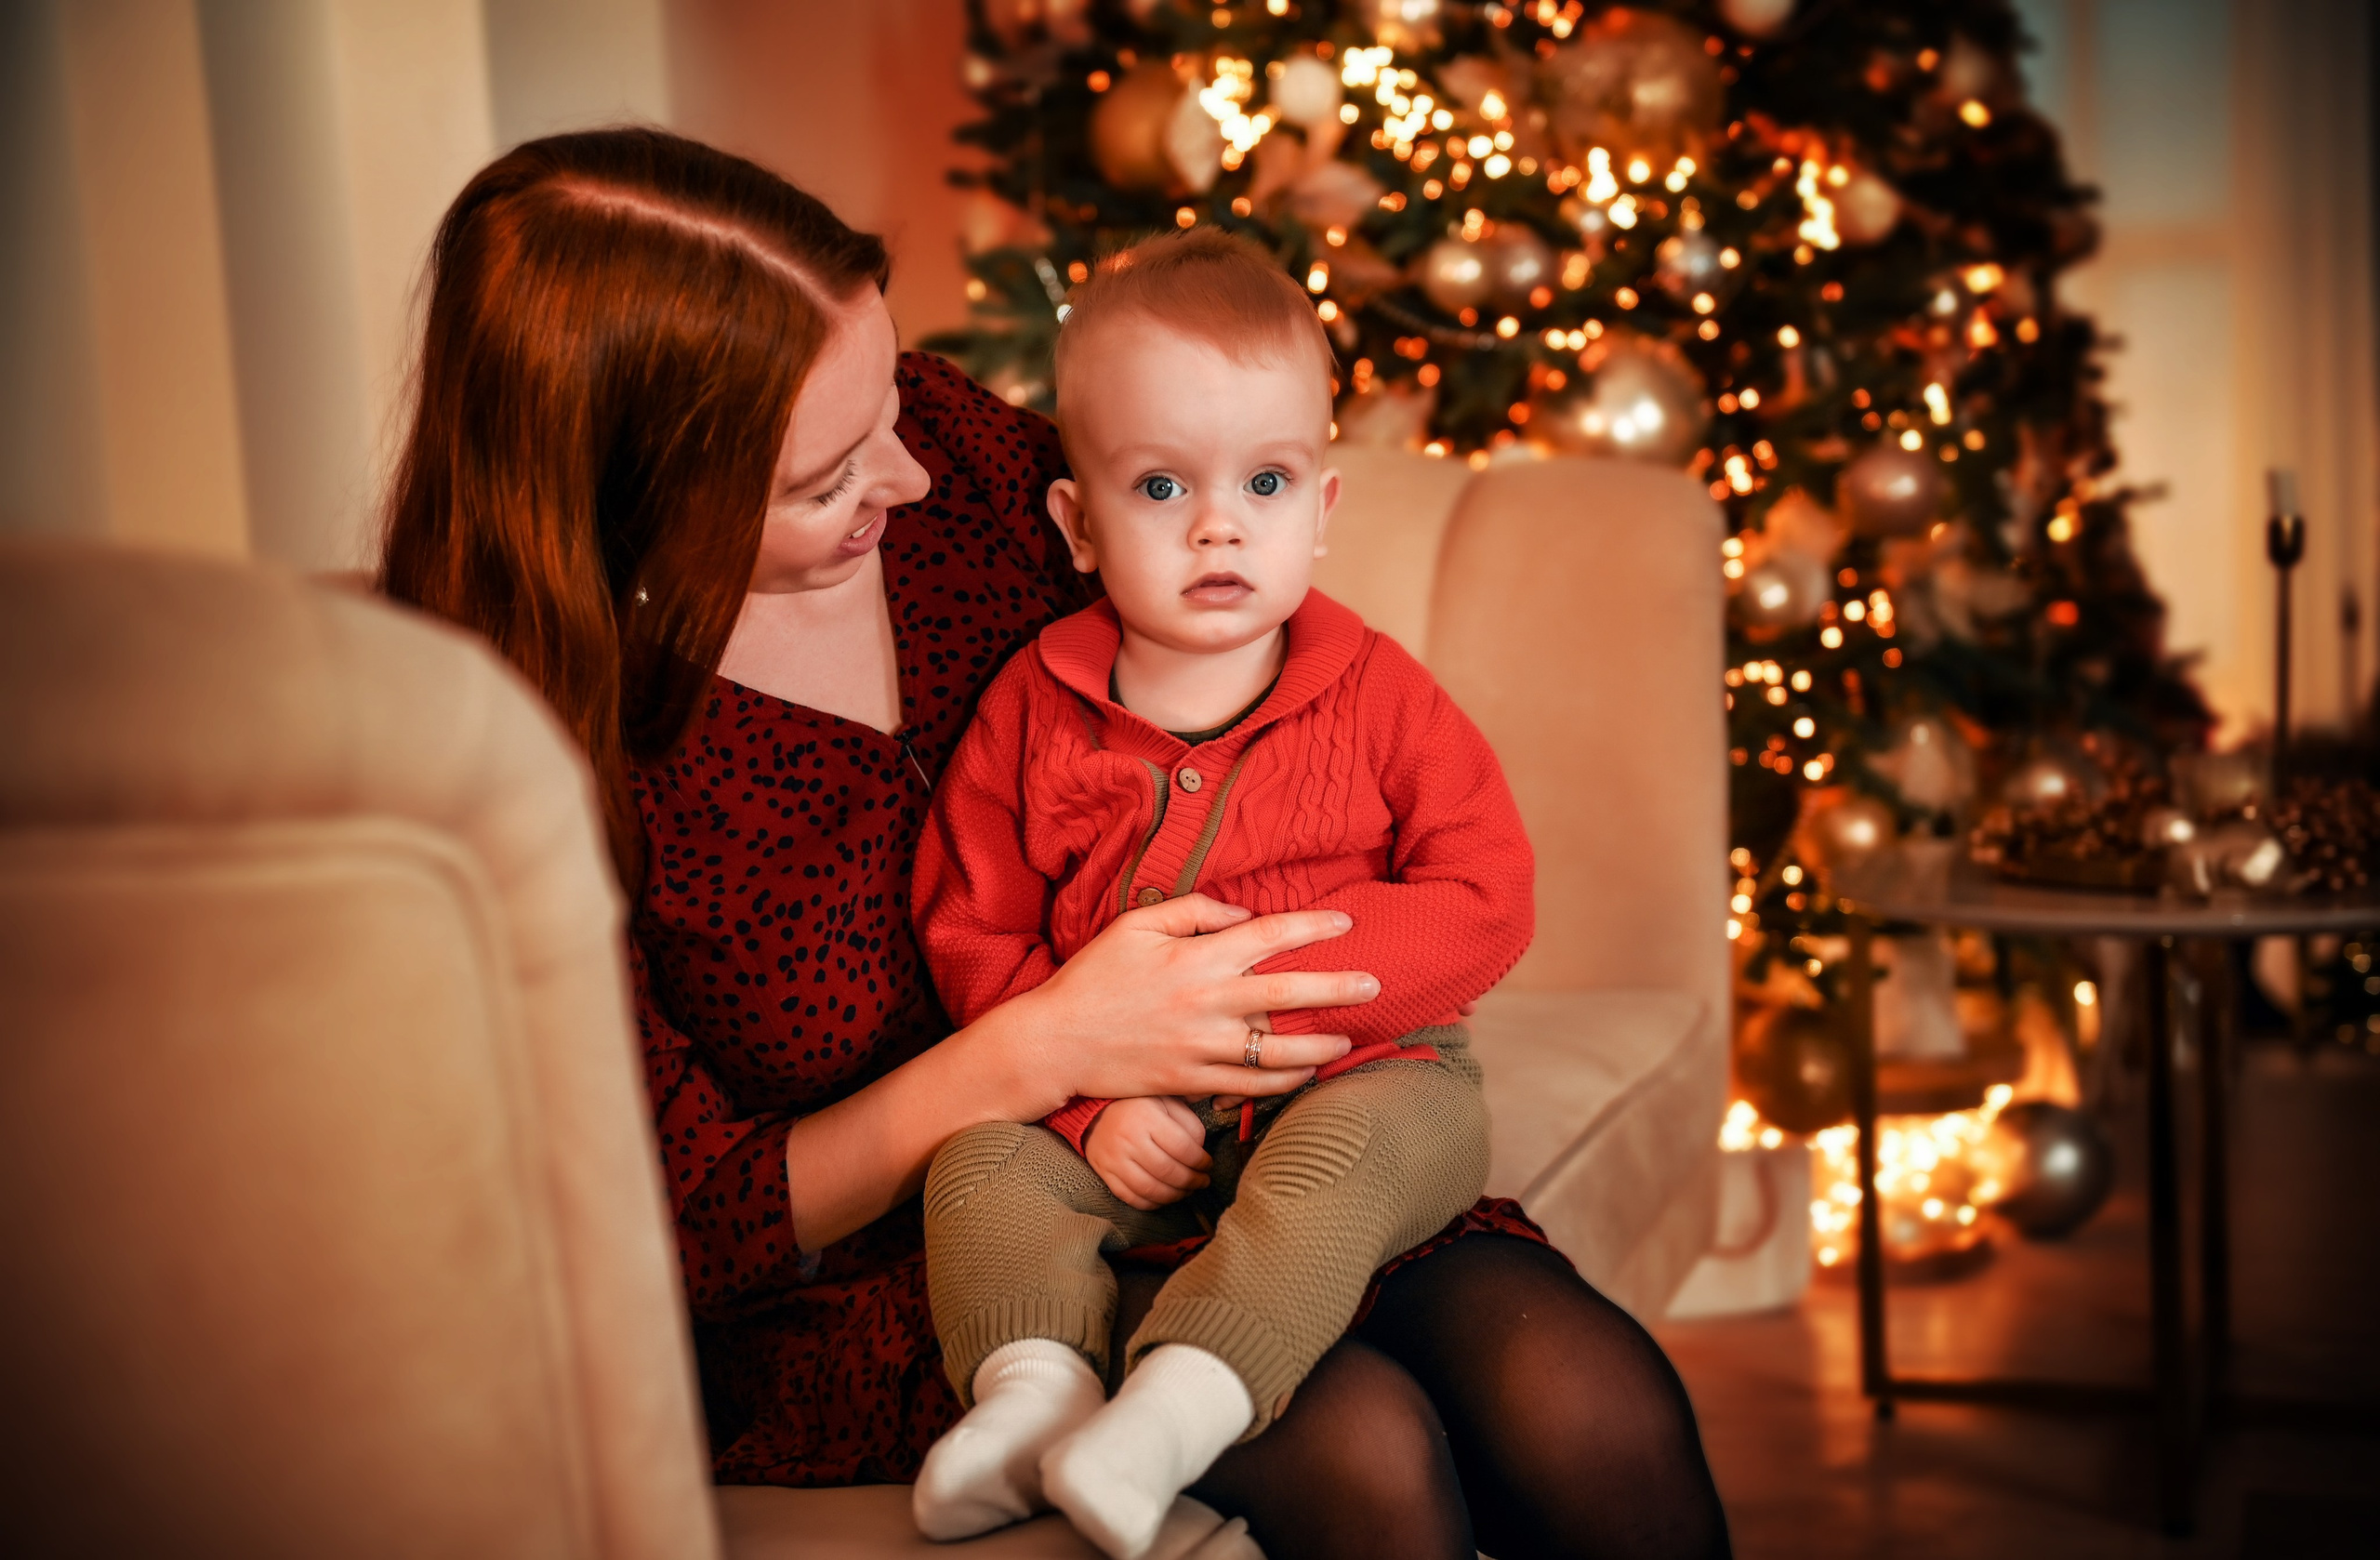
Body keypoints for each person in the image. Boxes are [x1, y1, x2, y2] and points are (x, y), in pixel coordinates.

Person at [379, 126, 1730, 1560]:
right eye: (826, 477)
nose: (907, 476)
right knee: (1361, 1448)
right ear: (638, 500)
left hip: (1244, 1135)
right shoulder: (517, 746)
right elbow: (682, 1217)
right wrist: (1055, 1051)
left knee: (1590, 1400)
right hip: (922, 1254)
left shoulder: (955, 465)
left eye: (891, 393)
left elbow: (1213, 558)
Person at [906, 230, 1530, 1558]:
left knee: (1333, 1160)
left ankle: (1179, 1407)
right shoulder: (1033, 705)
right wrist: (1085, 1103)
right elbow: (977, 928)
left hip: (1377, 1080)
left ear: (1322, 506)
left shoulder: (1379, 692)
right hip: (1126, 1123)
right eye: (1158, 486)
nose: (1218, 525)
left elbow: (1486, 894)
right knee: (976, 1170)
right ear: (1078, 525)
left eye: (1264, 480)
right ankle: (1033, 1395)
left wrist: (1277, 981)